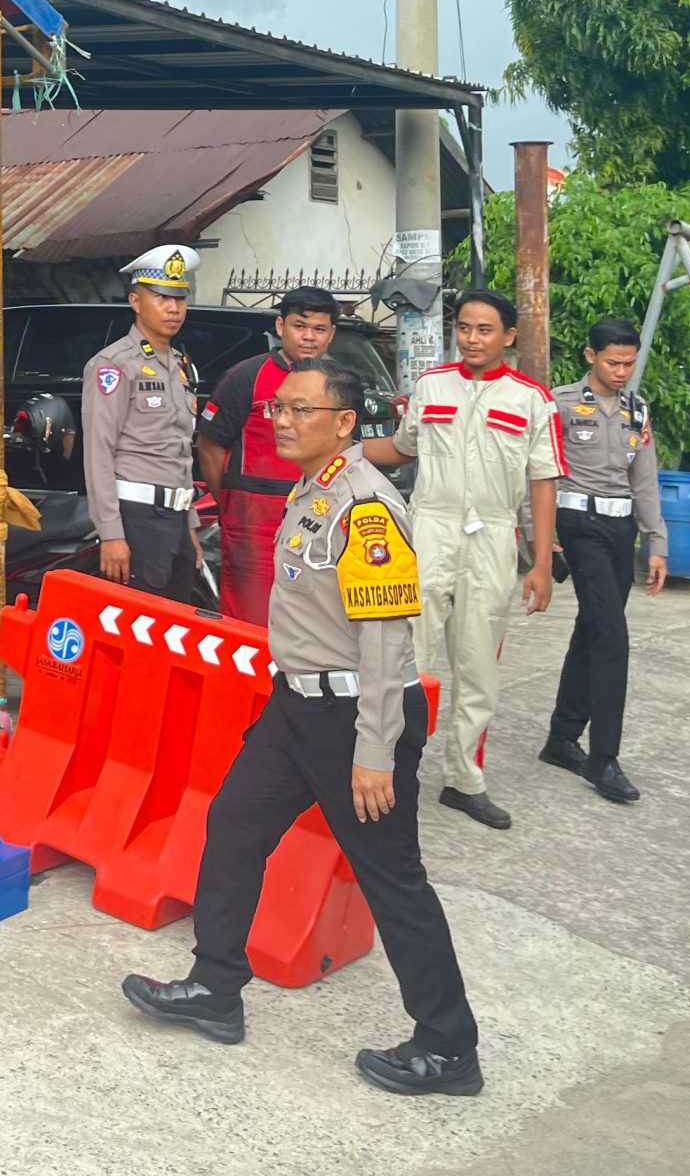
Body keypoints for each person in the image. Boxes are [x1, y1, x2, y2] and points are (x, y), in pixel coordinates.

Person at [121, 360, 483, 1094]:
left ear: (345, 423)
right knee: (234, 824)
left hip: (358, 717)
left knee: (392, 879)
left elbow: (385, 639)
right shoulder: (313, 488)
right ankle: (216, 988)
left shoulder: (366, 508)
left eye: (300, 410)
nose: (283, 421)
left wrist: (375, 749)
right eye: (278, 409)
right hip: (297, 708)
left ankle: (450, 1048)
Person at [356, 288, 563, 831]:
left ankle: (464, 781)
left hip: (493, 538)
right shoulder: (431, 386)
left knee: (479, 666)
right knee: (408, 656)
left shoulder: (532, 400)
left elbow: (543, 482)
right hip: (429, 530)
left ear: (509, 337)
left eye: (484, 330)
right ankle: (392, 773)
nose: (471, 339)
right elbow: (401, 448)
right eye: (464, 328)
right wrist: (340, 448)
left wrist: (541, 562)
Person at [540, 318, 669, 805]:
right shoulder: (561, 403)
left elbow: (645, 479)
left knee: (593, 629)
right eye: (613, 362)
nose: (621, 371)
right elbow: (539, 472)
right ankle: (604, 758)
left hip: (621, 529)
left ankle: (562, 737)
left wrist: (657, 542)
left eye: (629, 363)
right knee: (612, 638)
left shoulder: (638, 409)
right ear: (590, 356)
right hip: (578, 524)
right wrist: (540, 539)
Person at [195, 286, 341, 627]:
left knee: (313, 622)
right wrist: (230, 505)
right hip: (253, 523)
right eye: (299, 326)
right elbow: (210, 446)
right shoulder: (245, 377)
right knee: (250, 620)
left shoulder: (340, 384)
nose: (309, 337)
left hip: (317, 519)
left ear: (331, 334)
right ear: (280, 326)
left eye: (319, 329)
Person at [82, 246, 202, 603]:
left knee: (174, 621)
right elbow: (98, 453)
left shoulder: (180, 364)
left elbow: (180, 449)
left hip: (176, 517)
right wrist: (111, 533)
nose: (173, 308)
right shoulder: (114, 364)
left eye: (180, 299)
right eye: (161, 298)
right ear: (135, 301)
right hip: (137, 517)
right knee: (140, 618)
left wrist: (189, 525)